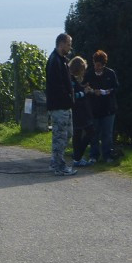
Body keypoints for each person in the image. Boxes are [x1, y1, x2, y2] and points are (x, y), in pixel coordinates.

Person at [45, 33, 75, 175]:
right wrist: (68, 96)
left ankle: (55, 162)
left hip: (65, 105)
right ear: (61, 44)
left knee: (67, 134)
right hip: (59, 106)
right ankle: (59, 167)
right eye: (68, 44)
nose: (70, 47)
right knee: (60, 137)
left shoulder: (61, 60)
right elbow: (57, 86)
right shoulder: (54, 61)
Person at [84, 49, 119, 163]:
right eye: (95, 65)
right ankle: (94, 155)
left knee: (107, 134)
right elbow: (84, 87)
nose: (97, 67)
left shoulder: (110, 73)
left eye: (100, 65)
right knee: (94, 133)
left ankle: (107, 155)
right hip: (94, 109)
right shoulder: (89, 74)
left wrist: (107, 91)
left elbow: (116, 88)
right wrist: (91, 91)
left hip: (108, 108)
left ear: (104, 65)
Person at [68, 56, 97, 167]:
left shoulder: (73, 79)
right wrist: (84, 92)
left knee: (77, 134)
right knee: (90, 132)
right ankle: (77, 156)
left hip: (77, 111)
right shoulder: (71, 80)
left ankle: (77, 158)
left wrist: (83, 87)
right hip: (79, 111)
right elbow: (73, 95)